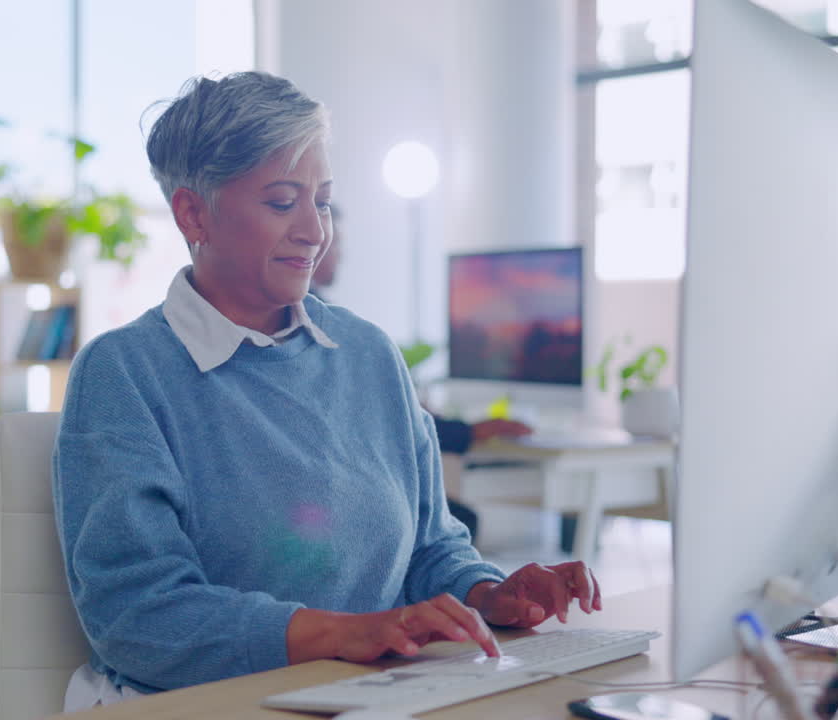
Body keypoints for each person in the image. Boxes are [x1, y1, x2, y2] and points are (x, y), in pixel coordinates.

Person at [52, 71, 601, 709]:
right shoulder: (125, 374)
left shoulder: (368, 355)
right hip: (204, 701)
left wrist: (488, 593)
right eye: (283, 202)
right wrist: (345, 634)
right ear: (192, 212)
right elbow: (139, 614)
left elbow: (431, 546)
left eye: (323, 202)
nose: (315, 231)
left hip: (375, 693)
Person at [310, 202, 532, 542]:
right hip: (336, 496)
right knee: (455, 523)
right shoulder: (322, 329)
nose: (339, 254)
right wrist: (468, 432)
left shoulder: (331, 322)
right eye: (337, 243)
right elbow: (384, 419)